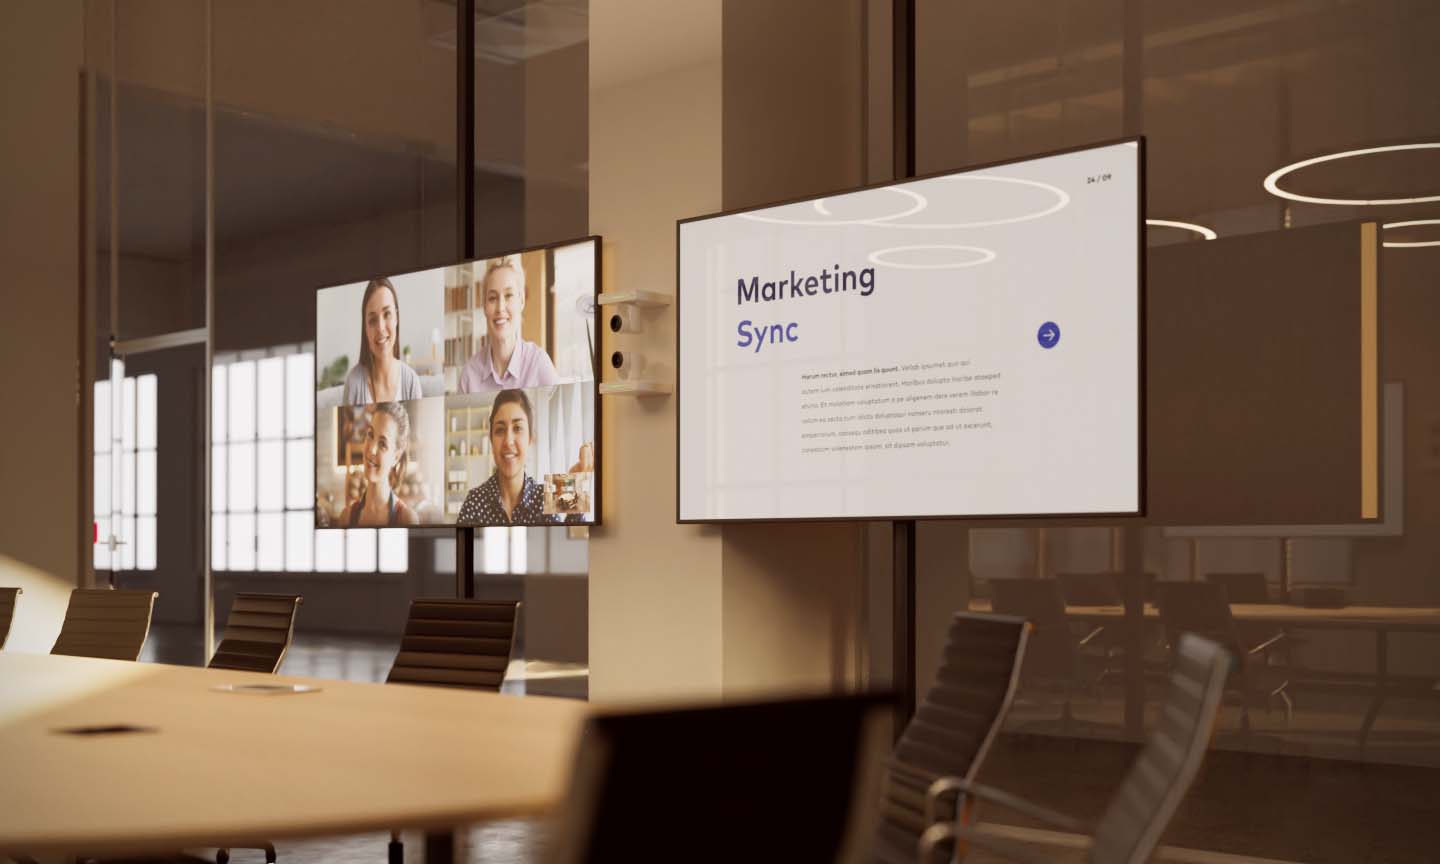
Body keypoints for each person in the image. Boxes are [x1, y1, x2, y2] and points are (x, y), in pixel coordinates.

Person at [457, 389, 592, 525]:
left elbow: (568, 543)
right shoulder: (474, 501)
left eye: (518, 428)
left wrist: (577, 489)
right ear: (491, 440)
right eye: (500, 430)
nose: (508, 440)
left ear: (530, 439)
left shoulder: (547, 496)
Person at [457, 256, 561, 394]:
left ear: (521, 301)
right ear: (484, 306)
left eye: (508, 295)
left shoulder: (539, 364)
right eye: (492, 298)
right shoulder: (469, 375)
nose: (500, 307)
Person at [343, 277, 424, 405]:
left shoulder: (411, 380)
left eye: (387, 314)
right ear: (365, 328)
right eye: (372, 320)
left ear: (396, 318)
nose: (380, 328)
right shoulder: (354, 382)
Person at [345, 402, 419, 527]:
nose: (371, 449)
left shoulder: (406, 519)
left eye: (383, 444)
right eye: (370, 435)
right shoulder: (346, 516)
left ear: (396, 457)